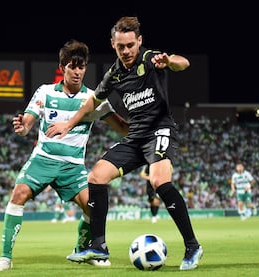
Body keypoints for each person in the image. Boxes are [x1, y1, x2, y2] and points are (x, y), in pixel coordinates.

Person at [46, 16, 203, 270]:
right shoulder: (114, 74)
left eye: (130, 45)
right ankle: (98, 247)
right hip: (135, 137)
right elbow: (91, 103)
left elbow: (182, 63)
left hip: (159, 131)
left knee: (158, 180)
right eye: (121, 46)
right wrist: (68, 124)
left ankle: (193, 247)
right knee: (96, 176)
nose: (126, 51)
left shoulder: (151, 58)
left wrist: (169, 61)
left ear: (139, 41)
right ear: (113, 44)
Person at [0, 39, 128, 272]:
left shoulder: (94, 99)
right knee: (18, 194)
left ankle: (82, 250)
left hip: (72, 167)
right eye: (72, 66)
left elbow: (122, 128)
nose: (77, 71)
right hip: (43, 159)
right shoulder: (44, 92)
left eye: (81, 66)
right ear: (62, 67)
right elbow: (27, 123)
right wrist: (23, 127)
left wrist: (146, 121)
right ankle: (5, 257)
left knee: (93, 209)